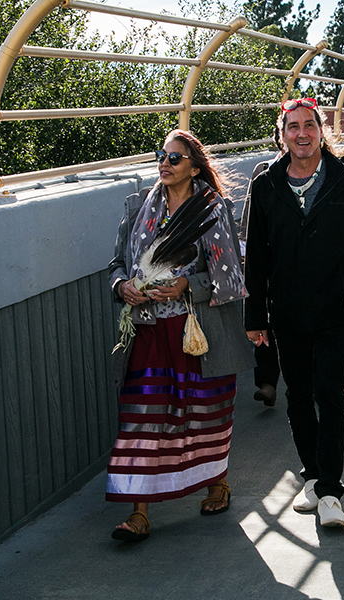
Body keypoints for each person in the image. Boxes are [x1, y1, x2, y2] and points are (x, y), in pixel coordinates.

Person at [244, 97, 344, 528]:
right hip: (286, 313)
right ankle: (312, 474)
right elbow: (255, 257)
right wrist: (255, 318)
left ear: (321, 130)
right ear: (282, 134)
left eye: (309, 125)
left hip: (336, 309)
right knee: (298, 397)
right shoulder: (266, 185)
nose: (301, 133)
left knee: (330, 396)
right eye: (292, 126)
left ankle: (330, 490)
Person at [106, 129, 255, 541]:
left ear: (194, 165)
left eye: (175, 158)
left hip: (196, 333)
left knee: (201, 414)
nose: (165, 164)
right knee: (142, 416)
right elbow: (117, 262)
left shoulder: (212, 209)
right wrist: (123, 287)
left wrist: (189, 286)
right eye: (161, 156)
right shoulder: (139, 206)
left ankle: (216, 484)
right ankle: (139, 512)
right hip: (149, 332)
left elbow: (230, 275)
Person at [241, 125, 285, 406]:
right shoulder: (263, 172)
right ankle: (267, 383)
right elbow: (249, 214)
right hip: (268, 260)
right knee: (265, 324)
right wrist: (246, 247)